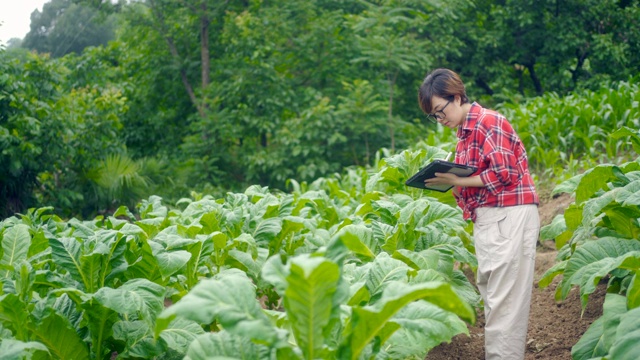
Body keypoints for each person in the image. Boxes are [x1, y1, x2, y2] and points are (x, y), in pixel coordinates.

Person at [417, 68, 540, 360]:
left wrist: (457, 180)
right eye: (434, 116)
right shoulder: (464, 135)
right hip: (491, 220)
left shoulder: (488, 122)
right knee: (495, 301)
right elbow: (477, 182)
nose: (440, 119)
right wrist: (451, 183)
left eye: (440, 111)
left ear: (457, 96)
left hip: (509, 216)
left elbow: (504, 173)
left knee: (504, 308)